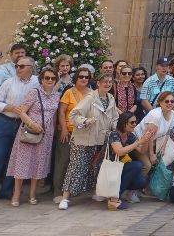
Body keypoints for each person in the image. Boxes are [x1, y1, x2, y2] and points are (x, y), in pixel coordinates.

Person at [0, 55, 39, 205]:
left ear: (31, 68)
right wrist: (10, 107)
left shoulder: (37, 83)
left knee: (15, 159)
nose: (17, 68)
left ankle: (6, 191)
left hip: (22, 124)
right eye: (16, 66)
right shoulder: (8, 82)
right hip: (4, 121)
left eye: (21, 66)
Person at [58, 74, 119, 210]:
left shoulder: (111, 98)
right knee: (76, 167)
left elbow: (115, 116)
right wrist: (85, 121)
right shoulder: (90, 98)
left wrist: (114, 128)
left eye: (110, 82)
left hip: (101, 140)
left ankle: (96, 192)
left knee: (96, 167)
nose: (108, 84)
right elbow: (73, 114)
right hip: (83, 139)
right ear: (98, 83)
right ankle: (65, 198)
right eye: (105, 81)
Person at [7, 66, 60, 206]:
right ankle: (16, 194)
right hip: (29, 132)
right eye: (47, 78)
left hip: (46, 134)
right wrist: (32, 124)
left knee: (38, 163)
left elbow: (54, 115)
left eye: (52, 78)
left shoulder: (56, 95)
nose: (49, 80)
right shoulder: (34, 93)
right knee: (22, 163)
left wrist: (53, 132)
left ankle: (32, 193)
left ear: (56, 80)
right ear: (41, 79)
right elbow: (21, 111)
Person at [53, 67, 93, 202]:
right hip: (68, 132)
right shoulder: (69, 92)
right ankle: (58, 192)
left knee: (78, 163)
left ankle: (73, 191)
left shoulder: (92, 94)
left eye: (86, 77)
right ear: (76, 78)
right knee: (63, 161)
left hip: (83, 133)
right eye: (81, 76)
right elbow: (61, 112)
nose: (83, 79)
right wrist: (63, 129)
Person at [108, 112, 150, 209]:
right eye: (132, 122)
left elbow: (141, 151)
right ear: (124, 123)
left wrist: (146, 139)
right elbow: (119, 152)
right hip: (109, 167)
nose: (135, 124)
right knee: (137, 165)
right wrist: (138, 142)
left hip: (120, 167)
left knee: (141, 181)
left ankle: (118, 194)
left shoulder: (130, 135)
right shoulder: (114, 134)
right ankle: (113, 199)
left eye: (136, 122)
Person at [133, 90, 174, 178]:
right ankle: (138, 184)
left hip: (155, 140)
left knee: (169, 156)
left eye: (172, 101)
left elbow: (168, 132)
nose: (170, 103)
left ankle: (151, 181)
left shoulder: (173, 114)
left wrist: (163, 147)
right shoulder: (156, 115)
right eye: (166, 101)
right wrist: (151, 154)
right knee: (148, 165)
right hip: (139, 140)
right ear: (160, 103)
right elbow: (149, 136)